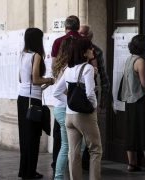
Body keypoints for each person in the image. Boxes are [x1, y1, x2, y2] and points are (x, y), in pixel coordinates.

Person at [53, 38, 102, 180]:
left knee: (73, 153)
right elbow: (90, 93)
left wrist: (69, 103)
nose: (93, 50)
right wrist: (92, 107)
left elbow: (57, 92)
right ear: (84, 52)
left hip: (69, 116)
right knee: (95, 150)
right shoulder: (88, 68)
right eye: (90, 48)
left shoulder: (68, 69)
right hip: (84, 116)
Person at [17, 27, 55, 179]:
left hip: (22, 99)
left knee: (25, 137)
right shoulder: (37, 55)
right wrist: (50, 80)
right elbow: (35, 79)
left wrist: (44, 85)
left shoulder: (22, 54)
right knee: (33, 136)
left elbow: (22, 79)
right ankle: (30, 172)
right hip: (33, 101)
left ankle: (24, 171)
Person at [50, 15, 82, 174]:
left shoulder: (57, 42)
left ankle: (59, 174)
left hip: (61, 106)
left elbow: (53, 68)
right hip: (73, 107)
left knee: (64, 143)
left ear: (65, 27)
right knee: (79, 145)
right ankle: (71, 173)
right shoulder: (82, 44)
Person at [78, 24, 110, 170]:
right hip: (77, 95)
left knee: (90, 130)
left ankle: (85, 160)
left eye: (85, 35)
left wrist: (102, 100)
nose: (82, 37)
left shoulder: (97, 52)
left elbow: (103, 76)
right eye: (81, 34)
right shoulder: (74, 50)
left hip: (90, 95)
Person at [119, 35, 145, 172]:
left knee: (130, 131)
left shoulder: (129, 59)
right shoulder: (140, 61)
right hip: (139, 100)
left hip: (129, 101)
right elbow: (143, 83)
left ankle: (131, 163)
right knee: (142, 132)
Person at [51, 37, 76, 180]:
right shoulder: (69, 67)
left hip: (59, 109)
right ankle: (60, 176)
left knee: (66, 145)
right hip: (64, 109)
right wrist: (70, 102)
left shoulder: (60, 64)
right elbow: (62, 91)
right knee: (69, 146)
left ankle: (59, 176)